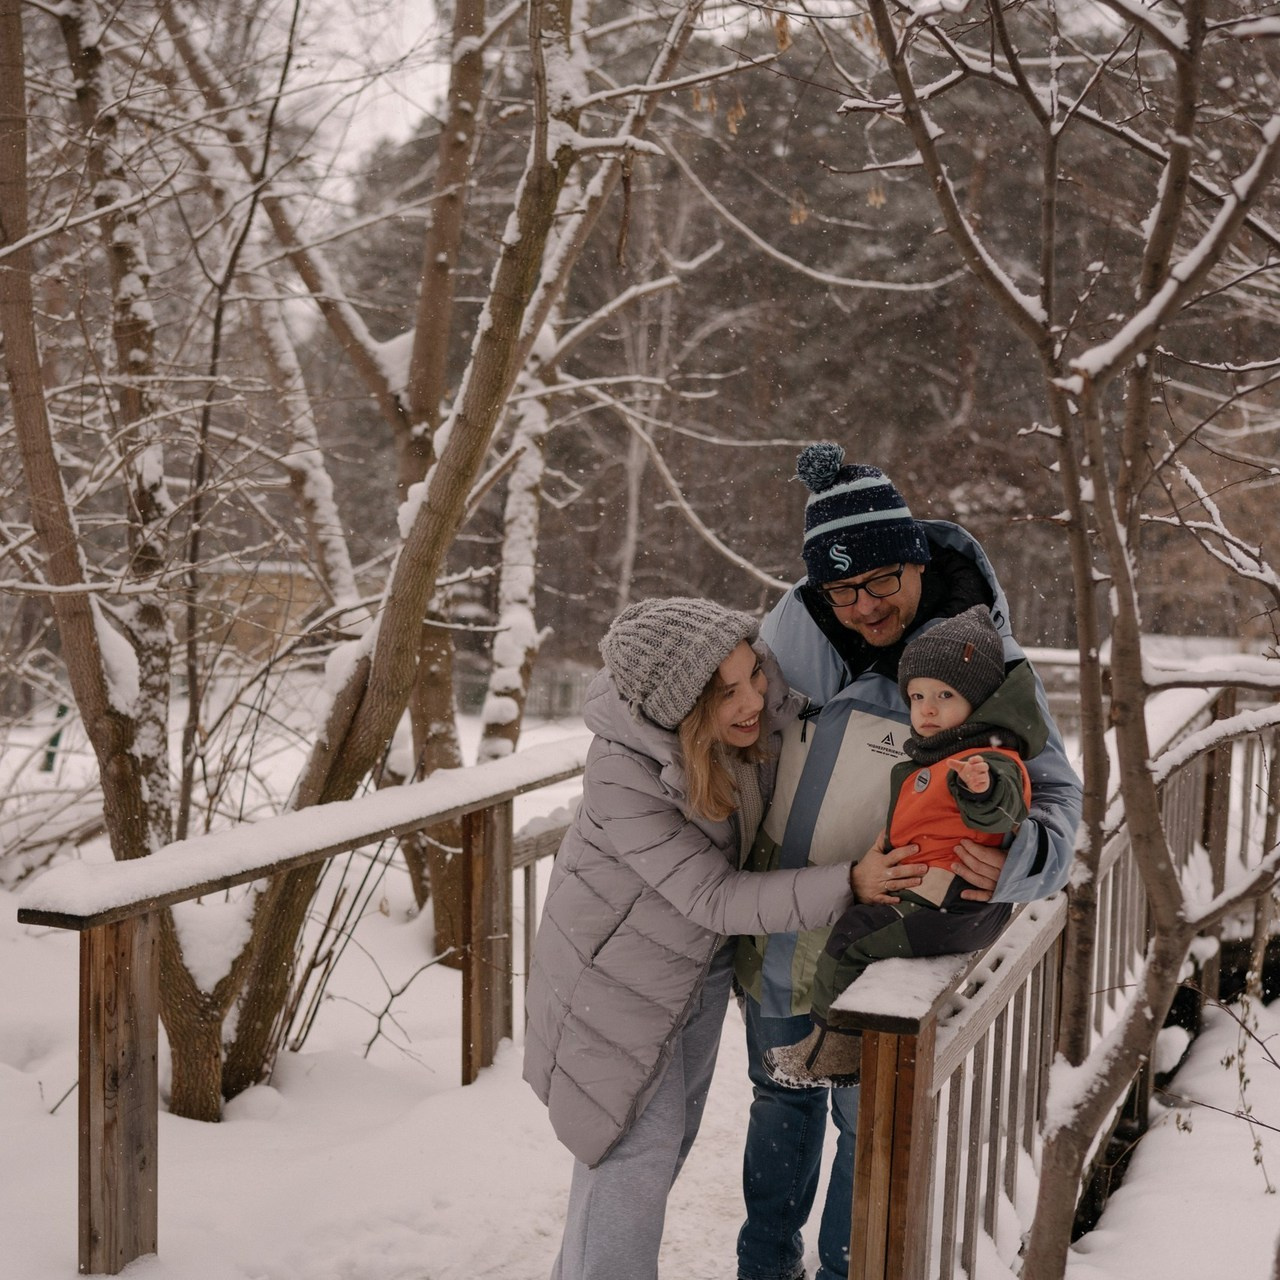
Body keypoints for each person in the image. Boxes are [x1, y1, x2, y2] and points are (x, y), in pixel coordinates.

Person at [735, 443, 1083, 1280]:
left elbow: (1058, 801)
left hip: (893, 945)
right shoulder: (784, 641)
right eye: (843, 589)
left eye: (883, 580)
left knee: (870, 1130)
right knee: (779, 1111)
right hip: (785, 929)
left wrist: (1014, 862)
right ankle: (761, 1269)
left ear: (917, 558)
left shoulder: (980, 663)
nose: (864, 606)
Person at [523, 596, 866, 1280]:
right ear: (680, 707)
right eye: (727, 693)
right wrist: (852, 881)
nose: (752, 700)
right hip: (614, 980)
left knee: (658, 1149)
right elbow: (713, 895)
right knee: (632, 1157)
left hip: (691, 969)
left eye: (752, 677)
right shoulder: (626, 771)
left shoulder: (737, 734)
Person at [763, 604, 1043, 1088]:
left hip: (950, 906)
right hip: (936, 900)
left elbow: (1001, 809)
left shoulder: (987, 759)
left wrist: (981, 789)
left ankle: (835, 1049)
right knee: (858, 927)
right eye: (916, 696)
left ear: (978, 702)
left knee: (852, 937)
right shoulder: (937, 756)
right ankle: (837, 1041)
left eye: (944, 695)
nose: (926, 709)